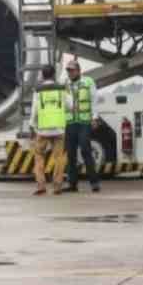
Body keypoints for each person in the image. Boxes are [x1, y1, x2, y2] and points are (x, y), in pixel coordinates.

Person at [28, 65, 70, 195]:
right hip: (58, 129)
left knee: (39, 157)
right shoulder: (61, 89)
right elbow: (70, 105)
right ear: (53, 75)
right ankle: (57, 186)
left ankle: (41, 186)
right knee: (59, 158)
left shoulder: (38, 91)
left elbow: (34, 110)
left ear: (42, 75)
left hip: (43, 130)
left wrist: (32, 125)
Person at [62, 60, 101, 193]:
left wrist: (95, 117)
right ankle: (72, 184)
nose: (70, 73)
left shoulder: (88, 82)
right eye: (68, 70)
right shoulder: (65, 84)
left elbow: (94, 100)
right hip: (70, 123)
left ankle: (94, 182)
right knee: (71, 154)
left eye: (72, 70)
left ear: (79, 71)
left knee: (85, 150)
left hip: (84, 122)